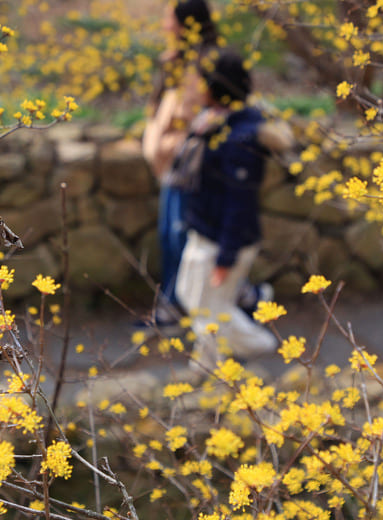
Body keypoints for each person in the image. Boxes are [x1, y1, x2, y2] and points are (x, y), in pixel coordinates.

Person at [174, 49, 288, 369]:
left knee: (207, 310)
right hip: (204, 230)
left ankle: (213, 367)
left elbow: (240, 203)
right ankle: (255, 341)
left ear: (214, 87)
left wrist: (226, 258)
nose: (194, 87)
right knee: (194, 298)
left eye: (200, 81)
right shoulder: (216, 122)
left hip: (220, 240)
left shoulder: (240, 137)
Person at [142, 0, 218, 327]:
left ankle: (180, 305)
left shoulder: (209, 63)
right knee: (170, 236)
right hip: (172, 165)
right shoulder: (173, 62)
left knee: (183, 237)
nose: (164, 24)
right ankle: (176, 303)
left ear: (187, 24)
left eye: (169, 18)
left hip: (194, 165)